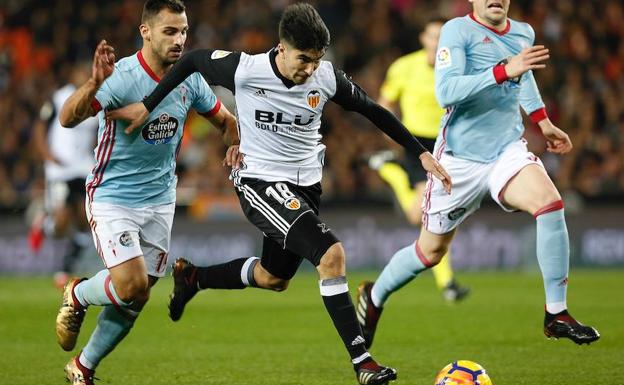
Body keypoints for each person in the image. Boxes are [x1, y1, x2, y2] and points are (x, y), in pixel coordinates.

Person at [108, 3, 451, 384]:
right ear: (282, 48)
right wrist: (148, 105)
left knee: (274, 277)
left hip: (306, 186)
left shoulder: (325, 76)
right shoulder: (245, 68)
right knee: (331, 254)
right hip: (260, 182)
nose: (310, 69)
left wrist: (419, 153)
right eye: (303, 59)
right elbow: (191, 62)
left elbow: (372, 110)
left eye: (317, 60)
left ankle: (194, 278)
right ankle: (363, 362)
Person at [356, 0, 600, 350]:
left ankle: (556, 313)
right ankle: (375, 296)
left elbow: (524, 76)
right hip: (457, 159)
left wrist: (542, 121)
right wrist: (504, 70)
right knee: (430, 252)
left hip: (505, 150)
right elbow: (447, 91)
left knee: (550, 203)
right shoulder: (456, 31)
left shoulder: (523, 32)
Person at [54, 1, 238, 384]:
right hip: (112, 196)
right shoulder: (120, 77)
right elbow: (68, 118)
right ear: (146, 31)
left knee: (138, 295)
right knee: (131, 285)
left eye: (184, 31)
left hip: (159, 201)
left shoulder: (189, 78)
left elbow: (225, 120)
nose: (180, 40)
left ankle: (82, 368)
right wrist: (93, 84)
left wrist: (233, 144)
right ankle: (78, 293)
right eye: (170, 31)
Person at [365, 16, 469, 305]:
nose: (437, 43)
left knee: (430, 213)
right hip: (416, 144)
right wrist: (392, 136)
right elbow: (384, 104)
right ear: (423, 38)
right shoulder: (404, 67)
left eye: (442, 38)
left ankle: (389, 169)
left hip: (448, 145)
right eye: (432, 36)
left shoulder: (458, 68)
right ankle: (447, 282)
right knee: (425, 213)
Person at [29, 63, 97, 289]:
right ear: (72, 74)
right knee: (60, 222)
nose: (85, 75)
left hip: (84, 167)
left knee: (84, 220)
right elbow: (39, 127)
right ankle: (44, 223)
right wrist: (47, 155)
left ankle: (65, 269)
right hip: (60, 168)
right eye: (81, 72)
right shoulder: (59, 97)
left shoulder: (97, 99)